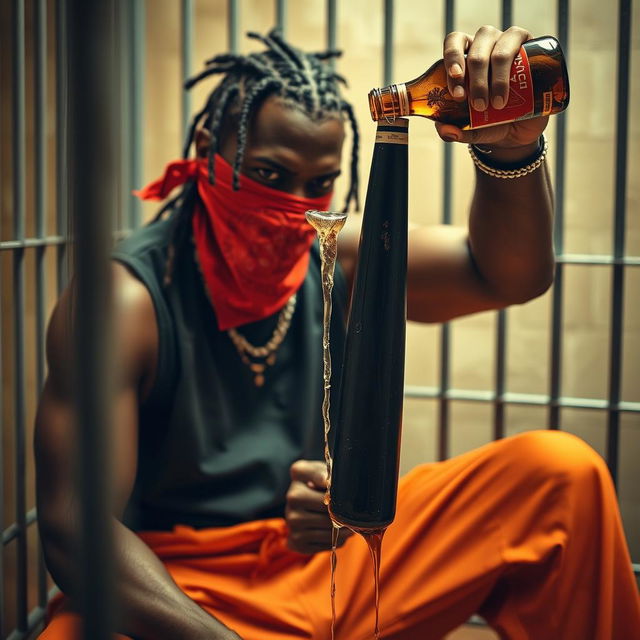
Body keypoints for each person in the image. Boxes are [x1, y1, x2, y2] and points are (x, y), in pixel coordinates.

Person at [35, 25, 639, 640]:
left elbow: (505, 275)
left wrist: (507, 151)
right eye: (269, 174)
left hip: (327, 566)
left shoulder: (335, 255)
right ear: (206, 147)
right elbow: (74, 526)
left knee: (559, 476)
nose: (294, 205)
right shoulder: (125, 302)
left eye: (317, 183)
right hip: (176, 592)